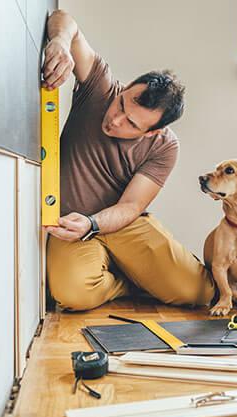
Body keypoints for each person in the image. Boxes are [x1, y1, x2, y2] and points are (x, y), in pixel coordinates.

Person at [42, 10, 215, 311]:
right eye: (122, 104)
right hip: (69, 223)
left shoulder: (165, 146)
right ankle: (128, 282)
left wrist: (94, 223)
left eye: (132, 124)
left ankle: (139, 273)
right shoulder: (100, 89)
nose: (115, 120)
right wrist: (59, 40)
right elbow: (64, 19)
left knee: (198, 293)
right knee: (73, 295)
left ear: (152, 132)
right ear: (125, 88)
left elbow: (131, 206)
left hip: (120, 222)